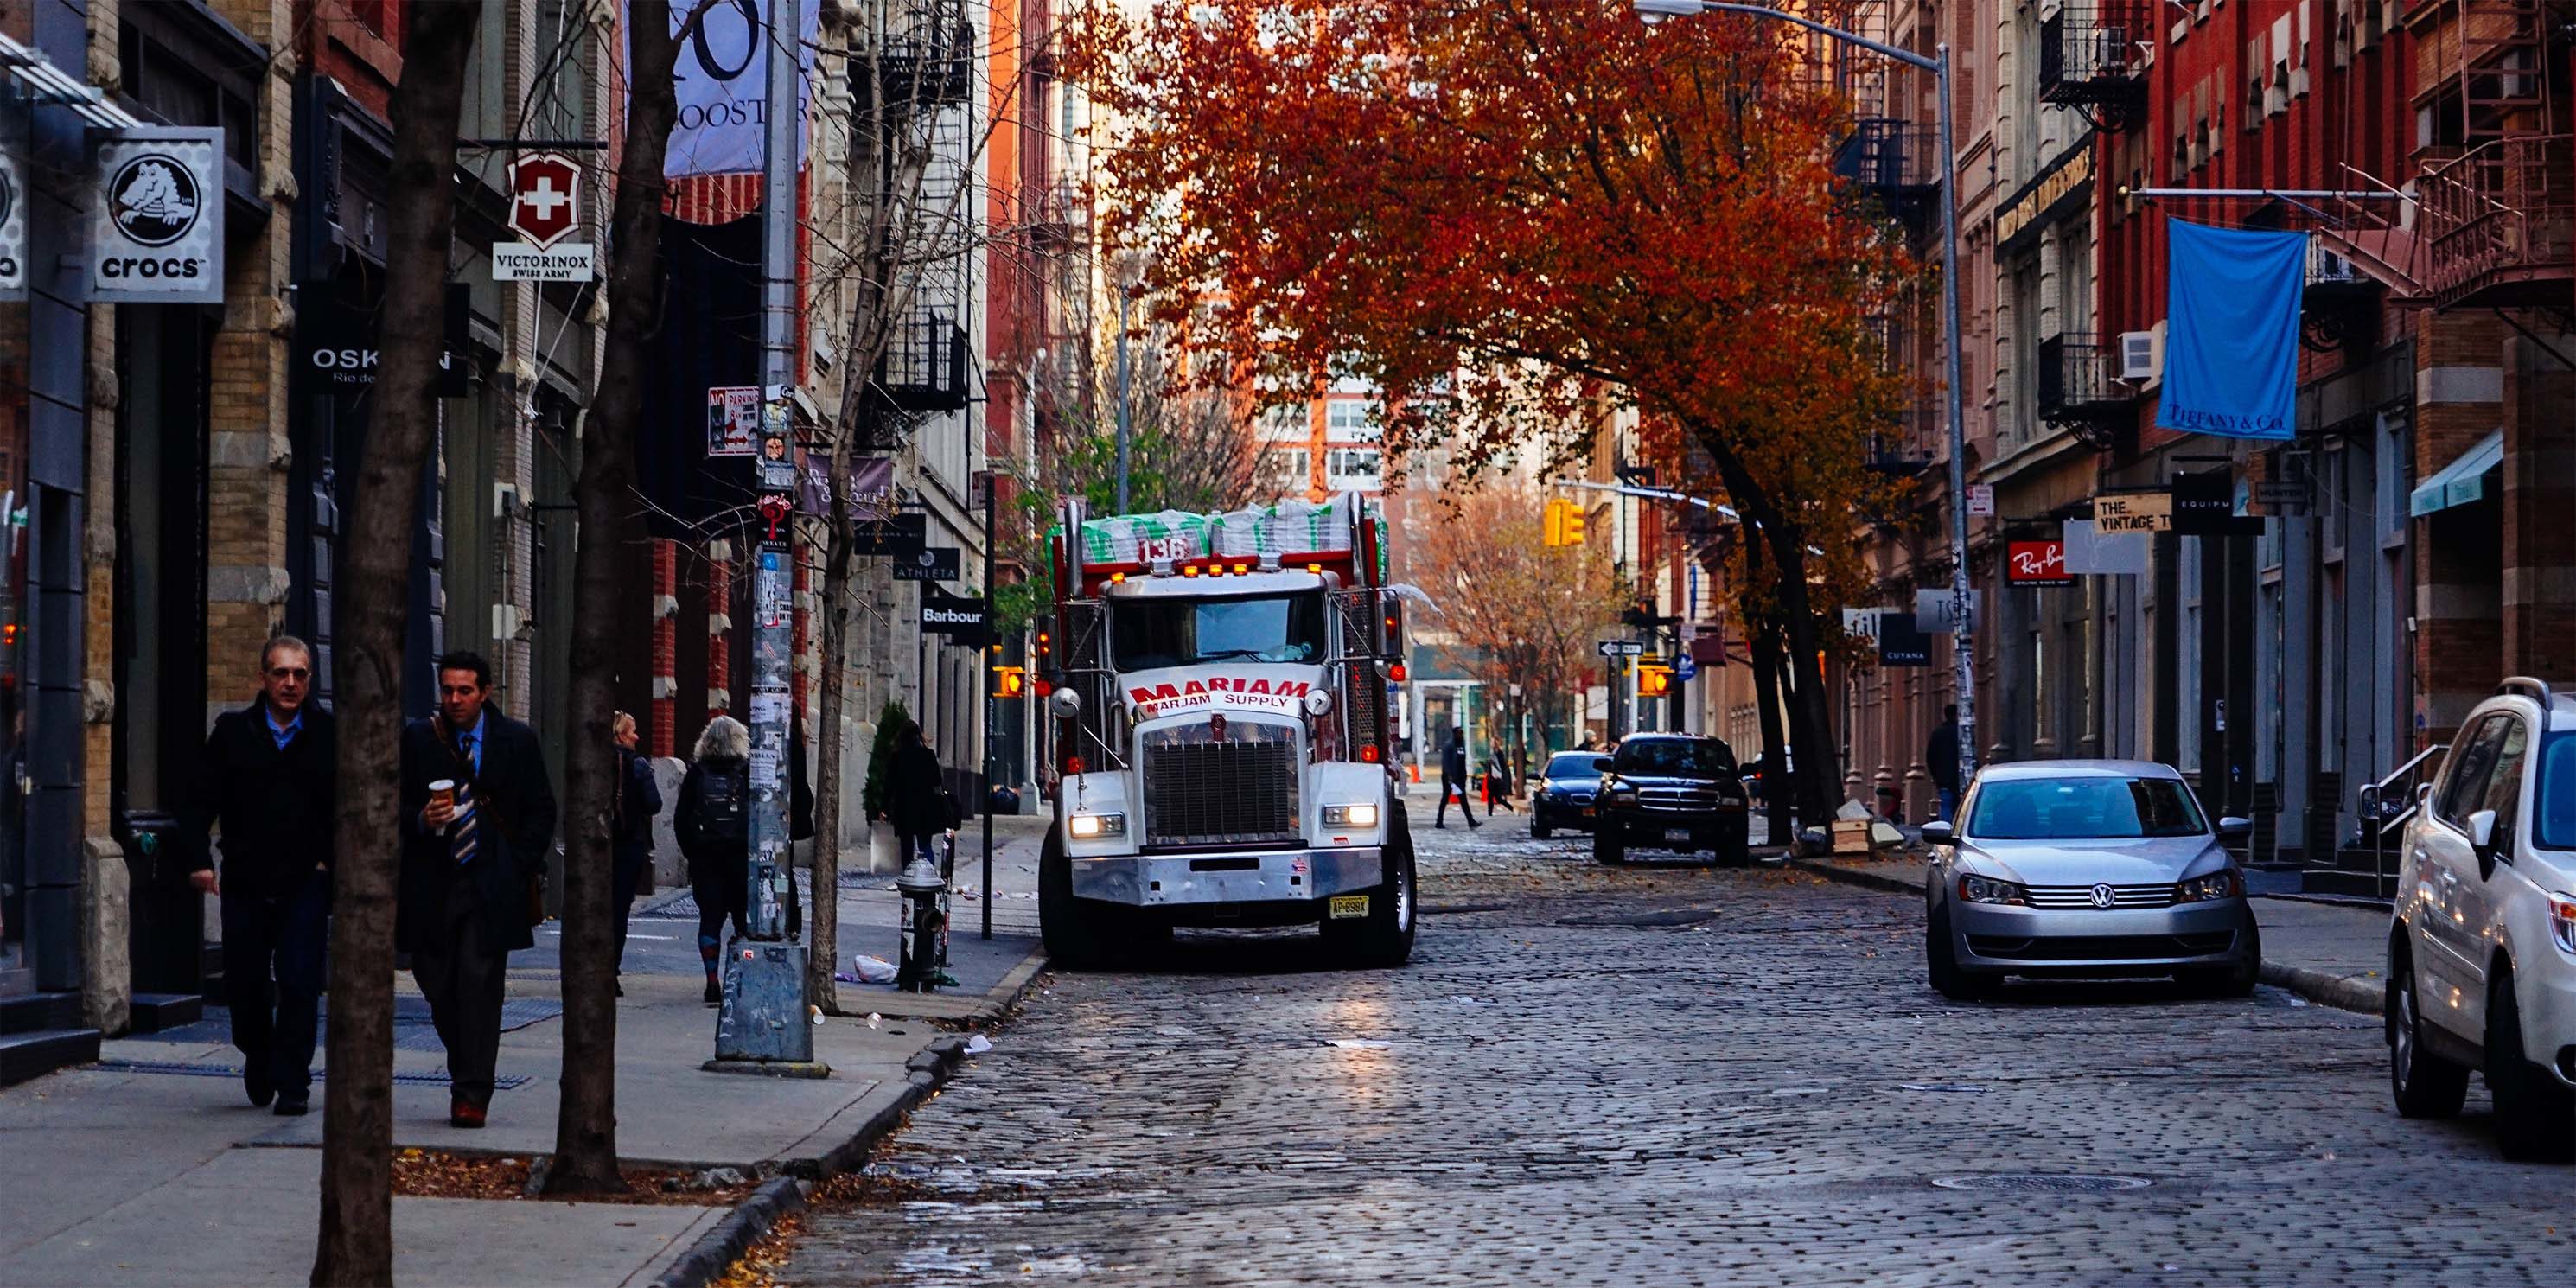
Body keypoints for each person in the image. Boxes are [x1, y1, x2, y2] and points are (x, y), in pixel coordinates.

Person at [399, 651, 558, 1130]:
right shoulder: (420, 739)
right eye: (447, 690)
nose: (454, 699)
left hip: (490, 883)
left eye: (464, 690)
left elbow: (540, 810)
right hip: (433, 882)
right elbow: (395, 803)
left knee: (479, 987)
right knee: (438, 983)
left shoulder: (516, 740)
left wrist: (516, 864)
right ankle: (463, 1056)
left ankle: (472, 1093)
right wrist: (422, 820)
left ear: (485, 692)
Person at [188, 636, 335, 1117]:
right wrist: (198, 860)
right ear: (263, 679)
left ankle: (294, 1082)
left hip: (305, 881)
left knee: (299, 982)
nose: (290, 683)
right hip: (247, 880)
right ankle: (258, 1051)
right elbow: (200, 799)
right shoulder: (234, 733)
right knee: (245, 984)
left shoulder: (328, 735)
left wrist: (331, 864)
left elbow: (347, 809)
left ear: (310, 680)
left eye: (300, 675)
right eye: (281, 674)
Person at [676, 716, 753, 1005]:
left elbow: (681, 818)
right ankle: (742, 978)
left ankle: (712, 981)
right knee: (743, 922)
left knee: (710, 920)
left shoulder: (697, 773)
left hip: (706, 858)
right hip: (740, 857)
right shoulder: (747, 772)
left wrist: (692, 850)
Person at [609, 711, 663, 996]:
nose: (637, 737)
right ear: (620, 735)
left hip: (600, 845)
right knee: (619, 910)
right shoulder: (638, 765)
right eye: (632, 732)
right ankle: (611, 969)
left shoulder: (593, 763)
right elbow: (654, 803)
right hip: (629, 844)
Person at [884, 720, 953, 866]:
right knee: (925, 845)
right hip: (926, 807)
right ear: (919, 736)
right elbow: (937, 781)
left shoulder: (897, 757)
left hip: (904, 807)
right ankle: (928, 879)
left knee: (907, 848)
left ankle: (908, 880)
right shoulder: (928, 755)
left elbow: (889, 785)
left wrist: (883, 808)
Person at [1435, 727, 1479, 829]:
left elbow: (1462, 761)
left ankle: (1471, 821)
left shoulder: (1461, 745)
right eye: (1459, 733)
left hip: (1460, 777)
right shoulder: (1449, 745)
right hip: (1449, 778)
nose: (1461, 735)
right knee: (1445, 799)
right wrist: (1449, 776)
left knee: (1463, 800)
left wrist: (1464, 774)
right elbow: (1446, 762)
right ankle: (1439, 821)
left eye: (1462, 733)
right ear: (1454, 734)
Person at [1927, 704, 1961, 822]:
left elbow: (1930, 757)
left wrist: (1936, 777)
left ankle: (1946, 833)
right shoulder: (1962, 733)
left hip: (1944, 779)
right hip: (1960, 777)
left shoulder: (1938, 734)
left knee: (1946, 805)